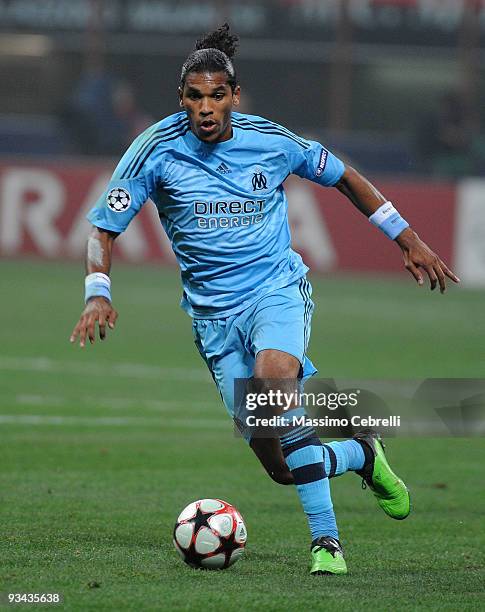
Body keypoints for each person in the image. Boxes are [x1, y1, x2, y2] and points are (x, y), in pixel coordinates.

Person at [70, 24, 460, 575]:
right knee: (281, 464)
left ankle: (326, 544)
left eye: (216, 95)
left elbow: (344, 176)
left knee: (276, 389)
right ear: (181, 99)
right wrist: (97, 293)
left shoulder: (271, 141)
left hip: (275, 289)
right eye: (194, 97)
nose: (206, 108)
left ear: (234, 94)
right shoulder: (155, 150)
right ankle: (361, 454)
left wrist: (407, 238)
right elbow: (103, 229)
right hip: (213, 319)